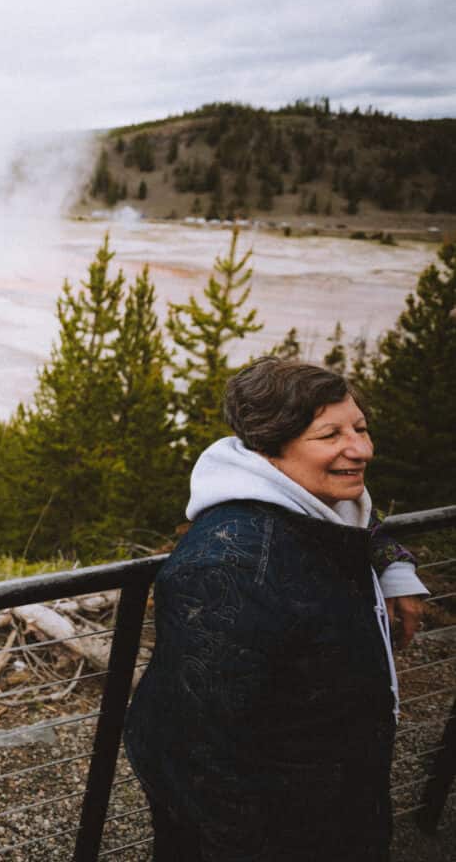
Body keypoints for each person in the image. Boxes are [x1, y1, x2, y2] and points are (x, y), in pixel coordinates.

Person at [124, 357, 428, 861]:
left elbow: (362, 522)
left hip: (334, 798)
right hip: (275, 829)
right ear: (270, 447)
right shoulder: (227, 568)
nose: (361, 448)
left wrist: (393, 565)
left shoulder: (321, 502)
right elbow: (200, 757)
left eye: (360, 428)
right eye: (330, 435)